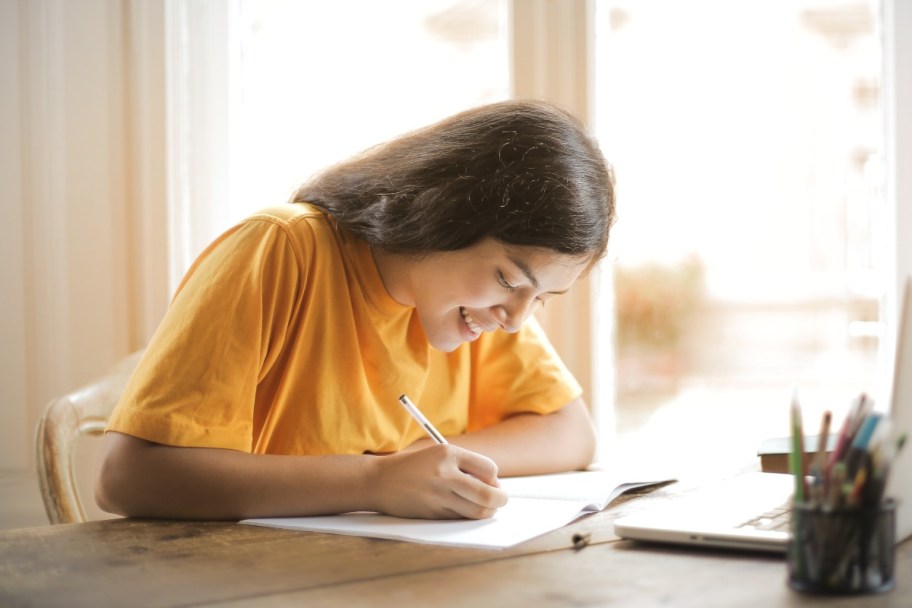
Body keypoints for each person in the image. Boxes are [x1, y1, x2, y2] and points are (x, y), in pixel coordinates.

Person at [95, 99, 616, 522]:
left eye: (541, 298)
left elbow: (571, 432)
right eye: (508, 280)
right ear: (443, 214)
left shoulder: (479, 309)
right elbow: (127, 477)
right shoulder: (281, 250)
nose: (517, 319)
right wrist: (374, 481)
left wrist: (427, 463)